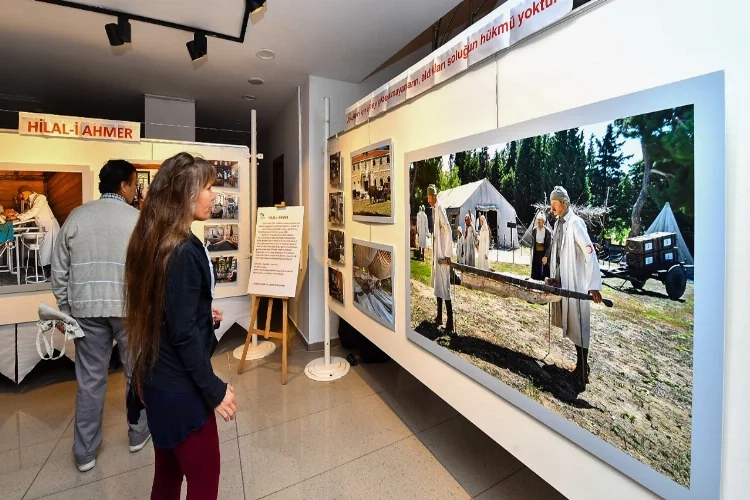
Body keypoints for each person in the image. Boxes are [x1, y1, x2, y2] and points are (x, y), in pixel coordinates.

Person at [125, 152, 236, 500]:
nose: (213, 195)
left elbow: (167, 311)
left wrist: (202, 313)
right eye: (206, 188)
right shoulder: (184, 250)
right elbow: (183, 333)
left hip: (155, 381)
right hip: (180, 390)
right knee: (204, 484)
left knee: (168, 476)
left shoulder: (153, 240)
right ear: (184, 195)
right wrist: (215, 390)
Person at [51, 160, 150, 472]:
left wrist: (66, 308)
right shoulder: (138, 219)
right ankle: (137, 434)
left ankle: (85, 452)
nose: (136, 190)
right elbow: (150, 270)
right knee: (136, 372)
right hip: (128, 308)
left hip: (86, 309)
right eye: (134, 184)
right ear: (123, 186)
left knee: (90, 379)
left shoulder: (77, 216)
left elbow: (59, 269)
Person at [546, 186, 603, 391]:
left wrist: (594, 285)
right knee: (573, 327)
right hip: (565, 282)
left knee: (580, 327)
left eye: (554, 204)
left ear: (564, 203)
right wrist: (555, 278)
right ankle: (580, 365)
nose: (552, 207)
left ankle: (583, 370)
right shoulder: (560, 224)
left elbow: (589, 252)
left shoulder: (576, 223)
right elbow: (559, 254)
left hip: (578, 283)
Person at [16, 185, 60, 279]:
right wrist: (18, 216)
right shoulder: (31, 202)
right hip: (43, 226)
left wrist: (18, 217)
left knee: (47, 248)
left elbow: (34, 211)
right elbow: (28, 212)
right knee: (44, 248)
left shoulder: (40, 198)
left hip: (49, 225)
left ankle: (47, 270)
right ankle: (45, 269)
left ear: (27, 191)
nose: (21, 197)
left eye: (22, 194)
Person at [427, 185, 453, 333]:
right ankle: (439, 317)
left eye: (430, 197)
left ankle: (450, 323)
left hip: (443, 254)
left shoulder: (440, 208)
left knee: (445, 287)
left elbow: (448, 229)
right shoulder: (434, 209)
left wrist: (448, 253)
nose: (428, 199)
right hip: (437, 253)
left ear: (433, 196)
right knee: (438, 285)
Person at [531, 212, 552, 280]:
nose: (539, 222)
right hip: (536, 252)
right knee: (536, 267)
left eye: (540, 220)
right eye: (538, 220)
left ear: (543, 221)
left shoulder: (547, 231)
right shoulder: (534, 230)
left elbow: (549, 245)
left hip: (543, 252)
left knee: (544, 269)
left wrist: (546, 256)